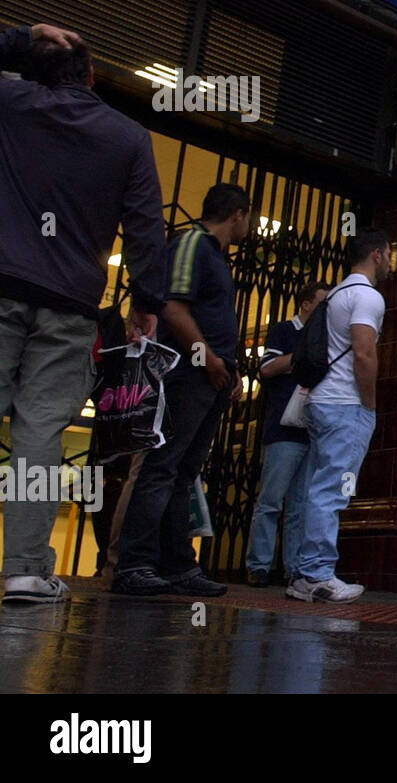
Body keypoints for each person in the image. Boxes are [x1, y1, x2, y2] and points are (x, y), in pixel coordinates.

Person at [0, 23, 166, 603]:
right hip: (69, 302)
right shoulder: (127, 136)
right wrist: (147, 302)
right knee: (41, 430)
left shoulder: (11, 103)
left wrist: (19, 38)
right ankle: (23, 568)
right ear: (91, 78)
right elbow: (147, 227)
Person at [113, 183, 252, 597]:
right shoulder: (194, 243)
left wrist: (227, 367)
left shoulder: (215, 256)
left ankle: (178, 565)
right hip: (189, 375)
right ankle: (135, 563)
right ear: (239, 215)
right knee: (163, 466)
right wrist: (207, 359)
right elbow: (173, 306)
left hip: (210, 376)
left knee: (183, 472)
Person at [286, 229, 388, 603]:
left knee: (316, 488)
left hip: (320, 402)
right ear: (377, 255)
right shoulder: (366, 296)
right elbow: (364, 352)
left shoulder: (336, 295)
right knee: (332, 490)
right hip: (345, 404)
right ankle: (316, 574)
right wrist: (369, 403)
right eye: (389, 253)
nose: (390, 261)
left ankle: (303, 572)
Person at [245, 280, 329, 586]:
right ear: (306, 303)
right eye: (322, 302)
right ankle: (259, 565)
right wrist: (301, 356)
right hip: (283, 428)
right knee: (270, 500)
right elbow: (266, 368)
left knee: (299, 505)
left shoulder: (327, 337)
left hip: (311, 429)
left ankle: (293, 568)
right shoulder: (284, 331)